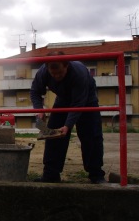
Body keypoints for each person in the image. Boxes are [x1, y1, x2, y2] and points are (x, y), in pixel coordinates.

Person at [30, 51, 106, 184]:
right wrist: (39, 110)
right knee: (53, 135)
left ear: (67, 66)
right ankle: (51, 174)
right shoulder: (43, 72)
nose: (57, 76)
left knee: (91, 137)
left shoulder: (78, 73)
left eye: (60, 73)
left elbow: (78, 103)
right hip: (63, 100)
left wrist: (67, 126)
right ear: (48, 69)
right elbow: (35, 91)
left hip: (87, 101)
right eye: (53, 74)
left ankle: (96, 175)